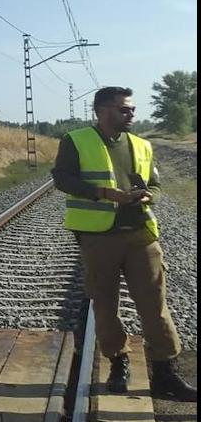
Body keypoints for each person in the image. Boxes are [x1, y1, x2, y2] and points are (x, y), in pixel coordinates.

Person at [51, 86, 195, 402]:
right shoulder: (77, 140)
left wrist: (149, 195)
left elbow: (155, 183)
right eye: (124, 109)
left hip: (140, 233)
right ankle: (119, 362)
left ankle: (165, 374)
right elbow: (62, 179)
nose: (131, 114)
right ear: (102, 111)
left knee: (155, 305)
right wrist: (103, 193)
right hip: (98, 237)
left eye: (131, 109)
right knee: (105, 305)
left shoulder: (142, 145)